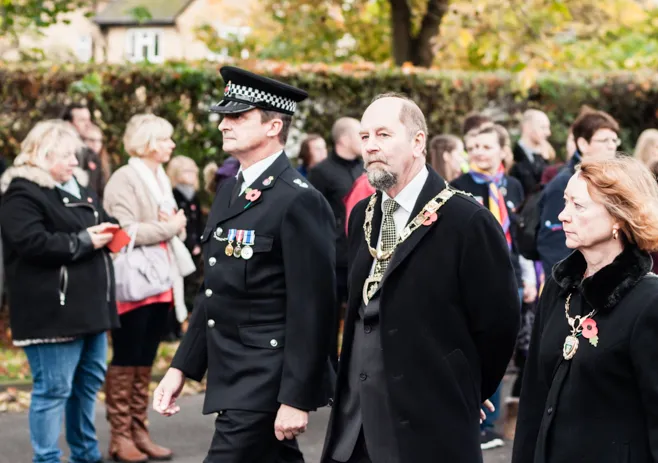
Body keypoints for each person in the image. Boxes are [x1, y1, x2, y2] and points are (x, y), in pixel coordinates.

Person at [321, 93, 520, 463]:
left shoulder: (466, 221)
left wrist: (465, 388)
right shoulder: (363, 214)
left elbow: (499, 324)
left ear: (417, 142)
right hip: (355, 427)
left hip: (429, 428)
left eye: (383, 134)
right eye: (364, 137)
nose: (371, 146)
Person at [153, 66, 337, 463]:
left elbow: (313, 309)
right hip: (231, 371)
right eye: (224, 116)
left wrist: (296, 397)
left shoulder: (298, 200)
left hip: (265, 378)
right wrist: (180, 368)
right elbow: (215, 292)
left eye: (237, 116)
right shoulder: (230, 191)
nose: (223, 124)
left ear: (274, 127)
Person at [513, 155, 658, 463]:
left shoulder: (651, 301)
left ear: (618, 217)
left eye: (578, 206)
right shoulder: (559, 285)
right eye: (566, 202)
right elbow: (533, 400)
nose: (563, 216)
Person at [0, 120, 119, 463]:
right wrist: (83, 241)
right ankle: (47, 458)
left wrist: (115, 232)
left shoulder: (78, 187)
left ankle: (86, 456)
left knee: (85, 387)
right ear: (40, 153)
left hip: (90, 308)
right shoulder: (21, 191)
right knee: (53, 390)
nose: (74, 162)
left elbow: (103, 218)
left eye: (75, 154)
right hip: (51, 311)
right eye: (65, 155)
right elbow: (31, 243)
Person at [103, 114, 194, 462]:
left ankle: (139, 431)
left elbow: (170, 225)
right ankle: (120, 436)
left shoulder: (157, 177)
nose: (172, 145)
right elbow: (125, 232)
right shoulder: (124, 179)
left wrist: (171, 227)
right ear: (149, 142)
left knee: (145, 358)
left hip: (162, 279)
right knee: (127, 356)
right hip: (134, 282)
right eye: (166, 139)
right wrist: (169, 227)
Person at [451, 122, 535, 449]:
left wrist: (529, 278)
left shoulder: (512, 186)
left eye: (486, 146)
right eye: (473, 147)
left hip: (511, 274)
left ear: (502, 150)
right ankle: (476, 419)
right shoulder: (457, 186)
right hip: (475, 276)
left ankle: (493, 418)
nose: (479, 152)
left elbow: (518, 237)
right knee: (474, 345)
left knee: (503, 346)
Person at [537, 108, 620, 278]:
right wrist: (569, 286)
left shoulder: (614, 180)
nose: (611, 145)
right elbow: (552, 244)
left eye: (614, 139)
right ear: (583, 144)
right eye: (604, 140)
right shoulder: (564, 183)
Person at [308, 117, 365, 365]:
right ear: (343, 139)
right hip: (331, 259)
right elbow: (311, 214)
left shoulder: (365, 168)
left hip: (360, 257)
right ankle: (328, 374)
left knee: (359, 318)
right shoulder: (321, 172)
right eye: (359, 134)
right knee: (329, 320)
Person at [167, 155, 205, 340]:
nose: (190, 175)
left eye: (192, 171)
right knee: (176, 288)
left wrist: (199, 242)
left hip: (194, 248)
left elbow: (197, 223)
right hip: (179, 248)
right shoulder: (173, 195)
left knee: (191, 287)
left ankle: (185, 325)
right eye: (185, 171)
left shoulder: (193, 196)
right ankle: (171, 328)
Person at [62, 103, 108, 198]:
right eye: (82, 120)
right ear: (69, 123)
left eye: (88, 119)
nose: (88, 124)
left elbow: (100, 190)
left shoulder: (90, 154)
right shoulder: (56, 149)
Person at [510, 109, 551, 195]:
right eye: (543, 127)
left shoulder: (544, 157)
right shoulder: (513, 158)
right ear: (527, 127)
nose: (548, 132)